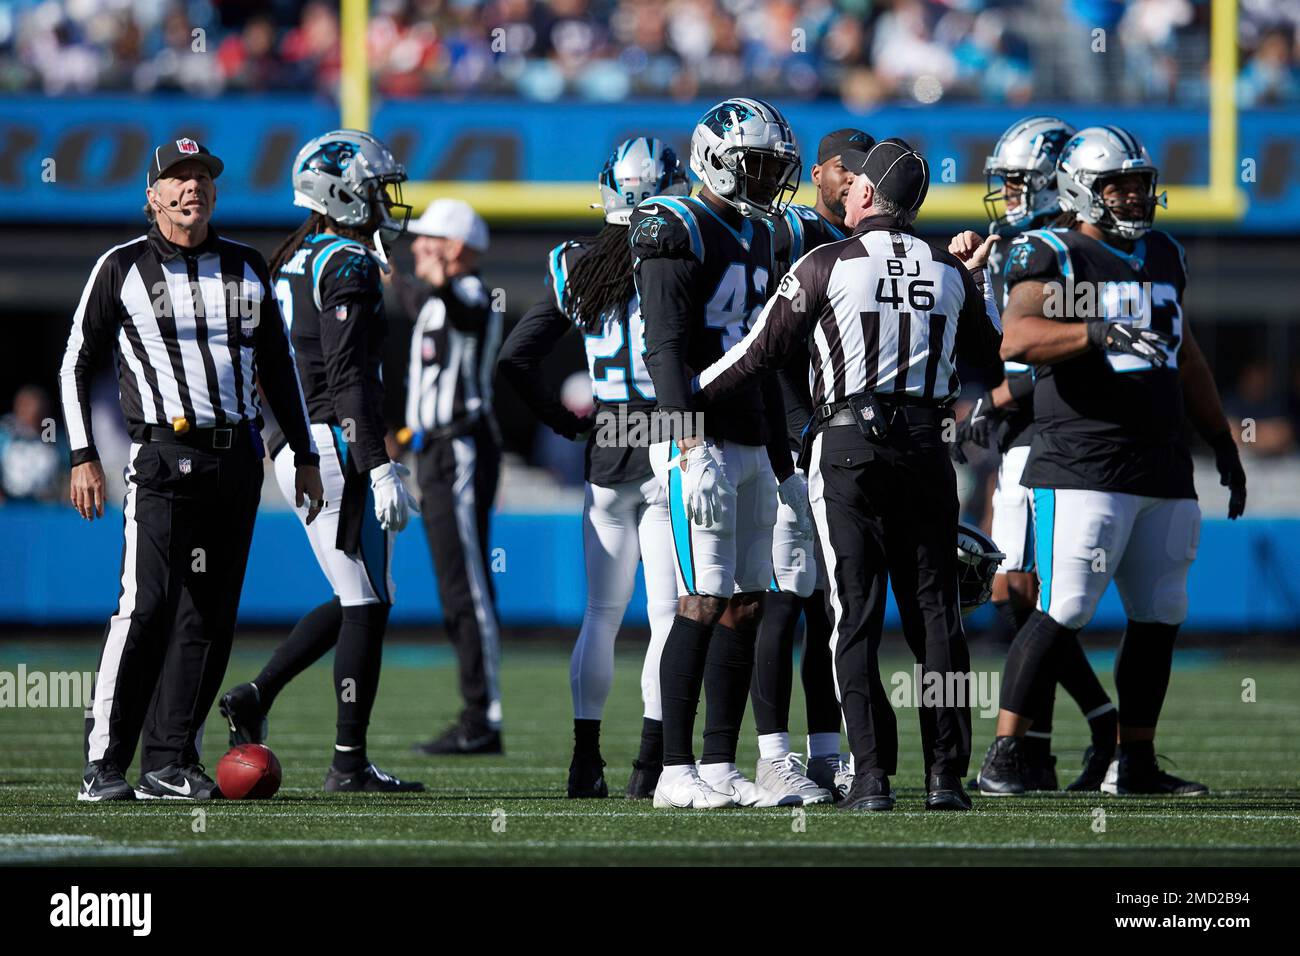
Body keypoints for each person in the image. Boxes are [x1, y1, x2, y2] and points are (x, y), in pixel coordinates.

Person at [694, 138, 1004, 811]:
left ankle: (869, 777)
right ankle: (946, 778)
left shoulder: (827, 262)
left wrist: (678, 404)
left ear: (864, 195)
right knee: (937, 619)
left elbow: (754, 355)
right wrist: (968, 280)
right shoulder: (949, 274)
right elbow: (991, 354)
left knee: (853, 617)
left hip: (847, 450)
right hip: (926, 447)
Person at [974, 126, 1247, 796]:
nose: (1133, 197)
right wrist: (1094, 330)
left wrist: (1220, 440)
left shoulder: (1164, 254)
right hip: (1082, 458)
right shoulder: (1053, 252)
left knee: (1160, 612)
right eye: (1117, 186)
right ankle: (1006, 754)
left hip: (1160, 461)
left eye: (1139, 184)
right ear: (1080, 190)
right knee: (1062, 604)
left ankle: (1136, 763)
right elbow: (1020, 333)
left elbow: (1187, 356)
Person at [62, 138, 323, 801]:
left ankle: (169, 760)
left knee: (208, 617)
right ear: (152, 195)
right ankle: (103, 763)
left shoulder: (244, 267)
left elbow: (279, 370)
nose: (191, 187)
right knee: (144, 608)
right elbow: (75, 363)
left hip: (232, 459)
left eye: (202, 176)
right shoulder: (121, 267)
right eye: (176, 179)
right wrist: (83, 454)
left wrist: (305, 453)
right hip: (160, 460)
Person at [219, 129, 424, 793]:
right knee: (366, 604)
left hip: (301, 445)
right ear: (340, 192)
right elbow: (348, 379)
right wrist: (381, 461)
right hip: (333, 443)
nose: (384, 201)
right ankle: (347, 762)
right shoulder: (346, 263)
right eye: (373, 189)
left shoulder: (293, 259)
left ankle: (259, 693)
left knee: (361, 596)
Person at [497, 136, 686, 798]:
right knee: (668, 617)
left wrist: (562, 421)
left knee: (601, 615)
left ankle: (585, 760)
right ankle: (649, 767)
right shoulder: (685, 249)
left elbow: (513, 362)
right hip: (670, 433)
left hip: (608, 436)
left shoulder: (572, 263)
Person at [635, 97, 810, 810]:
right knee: (700, 599)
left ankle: (717, 764)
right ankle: (673, 773)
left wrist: (782, 464)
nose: (769, 181)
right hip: (696, 443)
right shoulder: (675, 225)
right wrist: (688, 440)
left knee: (746, 603)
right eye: (757, 165)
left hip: (747, 439)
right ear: (714, 158)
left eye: (775, 168)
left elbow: (762, 360)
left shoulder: (762, 236)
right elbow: (666, 348)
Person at [953, 115, 1119, 792]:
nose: (1009, 193)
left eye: (1019, 181)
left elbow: (1038, 356)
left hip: (1053, 433)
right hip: (1019, 439)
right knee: (1016, 592)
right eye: (1007, 182)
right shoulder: (1012, 245)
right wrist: (966, 278)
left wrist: (990, 401)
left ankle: (1065, 737)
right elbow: (987, 343)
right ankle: (1053, 744)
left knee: (1032, 593)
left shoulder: (1065, 250)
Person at [750, 127, 874, 803]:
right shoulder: (788, 233)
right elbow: (765, 345)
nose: (855, 183)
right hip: (788, 433)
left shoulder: (874, 239)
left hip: (842, 437)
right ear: (822, 172)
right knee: (783, 593)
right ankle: (772, 757)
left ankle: (826, 753)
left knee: (832, 603)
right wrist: (791, 436)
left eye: (864, 174)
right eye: (844, 172)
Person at [392, 199, 507, 757]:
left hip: (461, 447)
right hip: (434, 452)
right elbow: (409, 293)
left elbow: (468, 310)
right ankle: (476, 711)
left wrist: (438, 278)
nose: (416, 248)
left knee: (468, 585)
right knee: (453, 584)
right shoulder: (436, 299)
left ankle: (482, 715)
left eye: (427, 239)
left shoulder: (469, 293)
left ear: (454, 247)